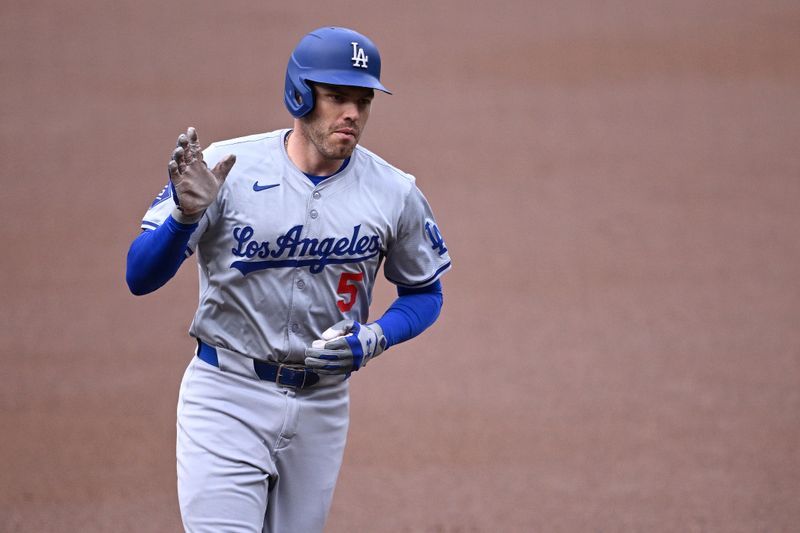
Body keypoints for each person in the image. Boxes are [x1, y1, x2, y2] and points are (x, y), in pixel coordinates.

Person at [126, 26, 451, 532]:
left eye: (363, 100)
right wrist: (182, 221)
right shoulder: (225, 167)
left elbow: (425, 293)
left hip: (322, 405)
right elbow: (139, 277)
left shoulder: (394, 192)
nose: (353, 114)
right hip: (227, 395)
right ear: (299, 94)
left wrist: (375, 338)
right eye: (337, 97)